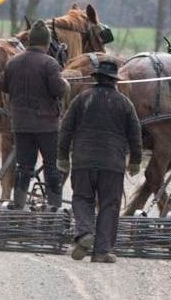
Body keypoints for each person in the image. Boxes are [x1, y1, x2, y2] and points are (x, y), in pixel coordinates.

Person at [58, 60, 142, 263]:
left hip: (83, 161)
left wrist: (62, 156)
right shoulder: (125, 103)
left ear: (96, 78)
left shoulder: (81, 99)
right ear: (114, 81)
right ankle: (102, 251)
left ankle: (84, 233)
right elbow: (135, 135)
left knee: (82, 199)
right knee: (109, 205)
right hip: (112, 163)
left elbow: (66, 129)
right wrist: (135, 161)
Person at [0, 20, 68, 210]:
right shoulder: (50, 63)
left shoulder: (13, 62)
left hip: (20, 125)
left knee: (24, 167)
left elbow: (3, 86)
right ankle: (53, 208)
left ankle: (19, 205)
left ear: (29, 41)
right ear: (46, 43)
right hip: (47, 126)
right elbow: (58, 90)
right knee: (51, 166)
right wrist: (65, 84)